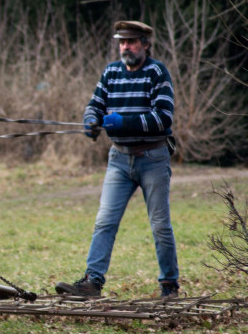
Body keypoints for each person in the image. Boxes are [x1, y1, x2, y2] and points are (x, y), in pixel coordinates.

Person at [55, 20, 180, 298]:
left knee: (160, 225)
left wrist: (124, 121)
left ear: (145, 45)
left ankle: (169, 285)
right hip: (119, 160)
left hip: (153, 158)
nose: (126, 47)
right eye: (122, 42)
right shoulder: (111, 72)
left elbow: (164, 117)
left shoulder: (157, 72)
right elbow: (95, 105)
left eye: (131, 42)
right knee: (104, 222)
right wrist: (90, 121)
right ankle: (92, 282)